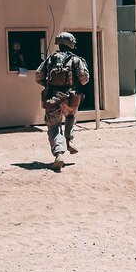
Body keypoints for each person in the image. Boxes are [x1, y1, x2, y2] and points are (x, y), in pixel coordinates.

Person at [35, 32, 89, 171]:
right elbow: (84, 79)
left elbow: (38, 76)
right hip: (70, 97)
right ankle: (69, 140)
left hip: (52, 97)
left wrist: (49, 87)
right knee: (70, 116)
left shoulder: (50, 59)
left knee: (54, 126)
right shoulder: (76, 60)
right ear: (71, 43)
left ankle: (59, 154)